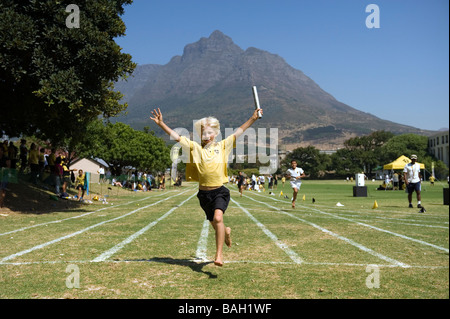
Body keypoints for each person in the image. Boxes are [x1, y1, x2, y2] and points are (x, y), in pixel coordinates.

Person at [150, 106, 262, 267]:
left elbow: (239, 131)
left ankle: (218, 255)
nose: (207, 136)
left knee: (218, 218)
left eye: (210, 132)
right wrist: (161, 123)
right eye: (203, 133)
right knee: (217, 225)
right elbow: (176, 137)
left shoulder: (223, 146)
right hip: (203, 195)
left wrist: (253, 118)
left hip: (219, 192)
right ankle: (227, 232)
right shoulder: (194, 148)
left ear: (215, 134)